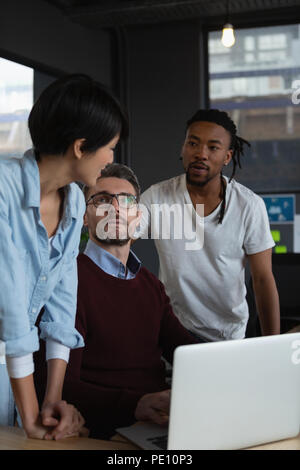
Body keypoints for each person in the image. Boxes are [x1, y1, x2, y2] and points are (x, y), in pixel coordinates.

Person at [0, 74, 128, 440]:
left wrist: (50, 403)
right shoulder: (3, 188)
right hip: (9, 358)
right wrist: (31, 417)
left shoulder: (73, 200)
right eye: (110, 147)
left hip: (15, 369)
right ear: (80, 146)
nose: (110, 159)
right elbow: (10, 309)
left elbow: (61, 303)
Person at [58, 163, 196, 439]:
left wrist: (243, 359)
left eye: (127, 201)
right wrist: (136, 405)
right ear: (85, 216)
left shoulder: (150, 285)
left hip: (156, 426)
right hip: (102, 431)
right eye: (102, 200)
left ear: (138, 215)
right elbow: (60, 386)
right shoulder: (66, 282)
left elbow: (187, 353)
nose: (115, 208)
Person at [137, 109, 280, 343]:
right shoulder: (157, 197)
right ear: (183, 148)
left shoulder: (249, 205)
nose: (200, 153)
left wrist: (273, 346)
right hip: (172, 330)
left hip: (228, 335)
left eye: (213, 147)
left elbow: (263, 279)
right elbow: (121, 239)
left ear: (227, 156)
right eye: (193, 143)